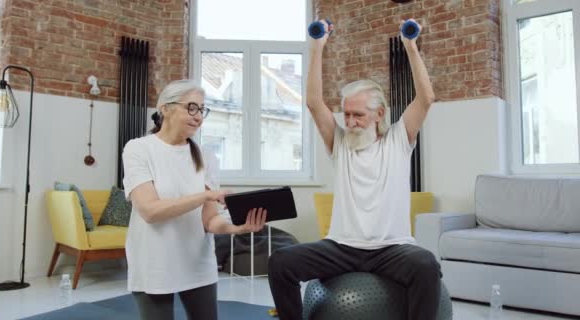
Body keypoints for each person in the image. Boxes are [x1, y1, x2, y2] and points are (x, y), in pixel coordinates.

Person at [268, 19, 441, 320]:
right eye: (346, 115)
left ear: (380, 114)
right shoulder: (340, 144)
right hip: (341, 247)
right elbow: (313, 102)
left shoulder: (399, 140)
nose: (350, 122)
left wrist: (410, 47)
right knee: (281, 262)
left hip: (392, 248)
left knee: (426, 264)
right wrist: (317, 47)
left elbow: (426, 99)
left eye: (358, 115)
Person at [122, 79, 267, 320]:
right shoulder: (138, 149)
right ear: (165, 108)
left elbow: (209, 221)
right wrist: (206, 195)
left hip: (197, 260)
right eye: (191, 107)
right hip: (154, 260)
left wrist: (237, 227)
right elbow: (149, 211)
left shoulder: (207, 157)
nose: (198, 116)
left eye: (201, 109)